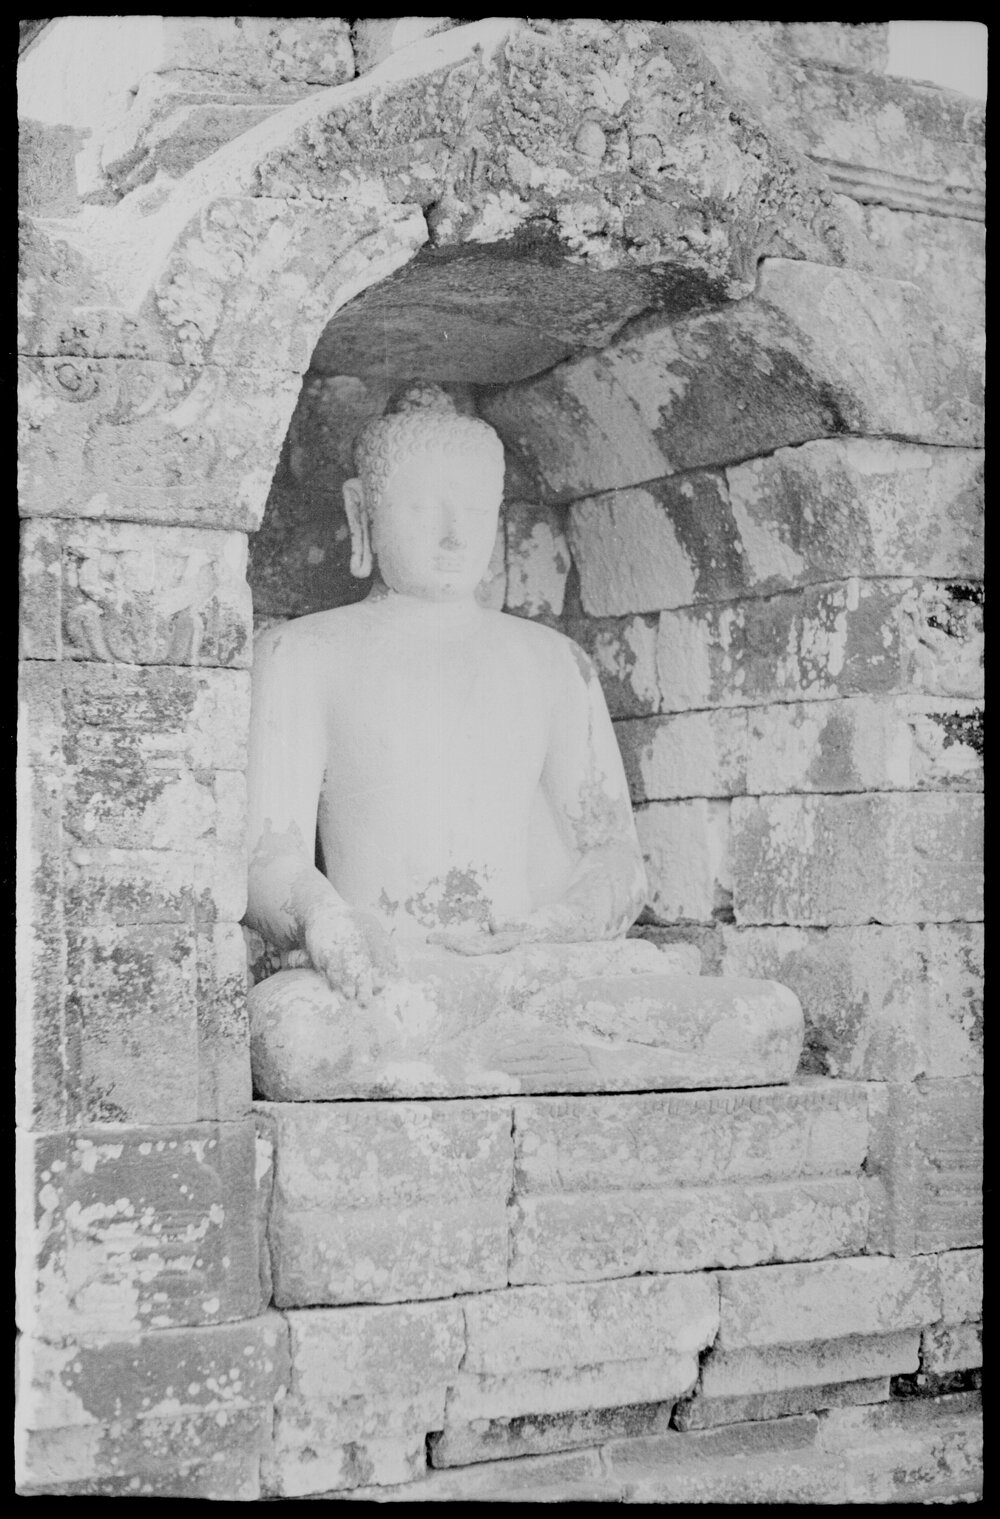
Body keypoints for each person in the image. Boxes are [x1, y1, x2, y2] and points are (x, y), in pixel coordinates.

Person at [245, 383, 802, 1097]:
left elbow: (617, 860)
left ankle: (478, 1066)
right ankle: (542, 1061)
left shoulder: (550, 660)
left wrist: (555, 925)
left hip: (539, 966)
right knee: (291, 1032)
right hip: (404, 975)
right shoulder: (304, 653)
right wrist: (328, 923)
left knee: (766, 1016)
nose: (453, 535)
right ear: (363, 511)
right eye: (422, 507)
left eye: (474, 511)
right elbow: (268, 862)